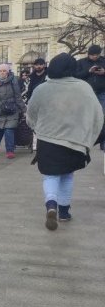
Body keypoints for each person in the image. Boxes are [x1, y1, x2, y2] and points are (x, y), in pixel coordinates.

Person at [26, 53, 103, 230]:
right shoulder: (84, 88)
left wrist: (37, 128)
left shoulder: (42, 89)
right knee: (67, 175)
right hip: (74, 142)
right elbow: (98, 116)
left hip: (48, 140)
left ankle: (51, 204)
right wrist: (89, 140)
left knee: (50, 175)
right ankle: (65, 212)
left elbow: (31, 115)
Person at [0, 63, 26, 159]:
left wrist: (24, 110)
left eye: (4, 71)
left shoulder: (13, 81)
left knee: (9, 130)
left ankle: (10, 151)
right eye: (0, 71)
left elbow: (18, 97)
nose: (2, 73)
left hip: (11, 111)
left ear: (8, 72)